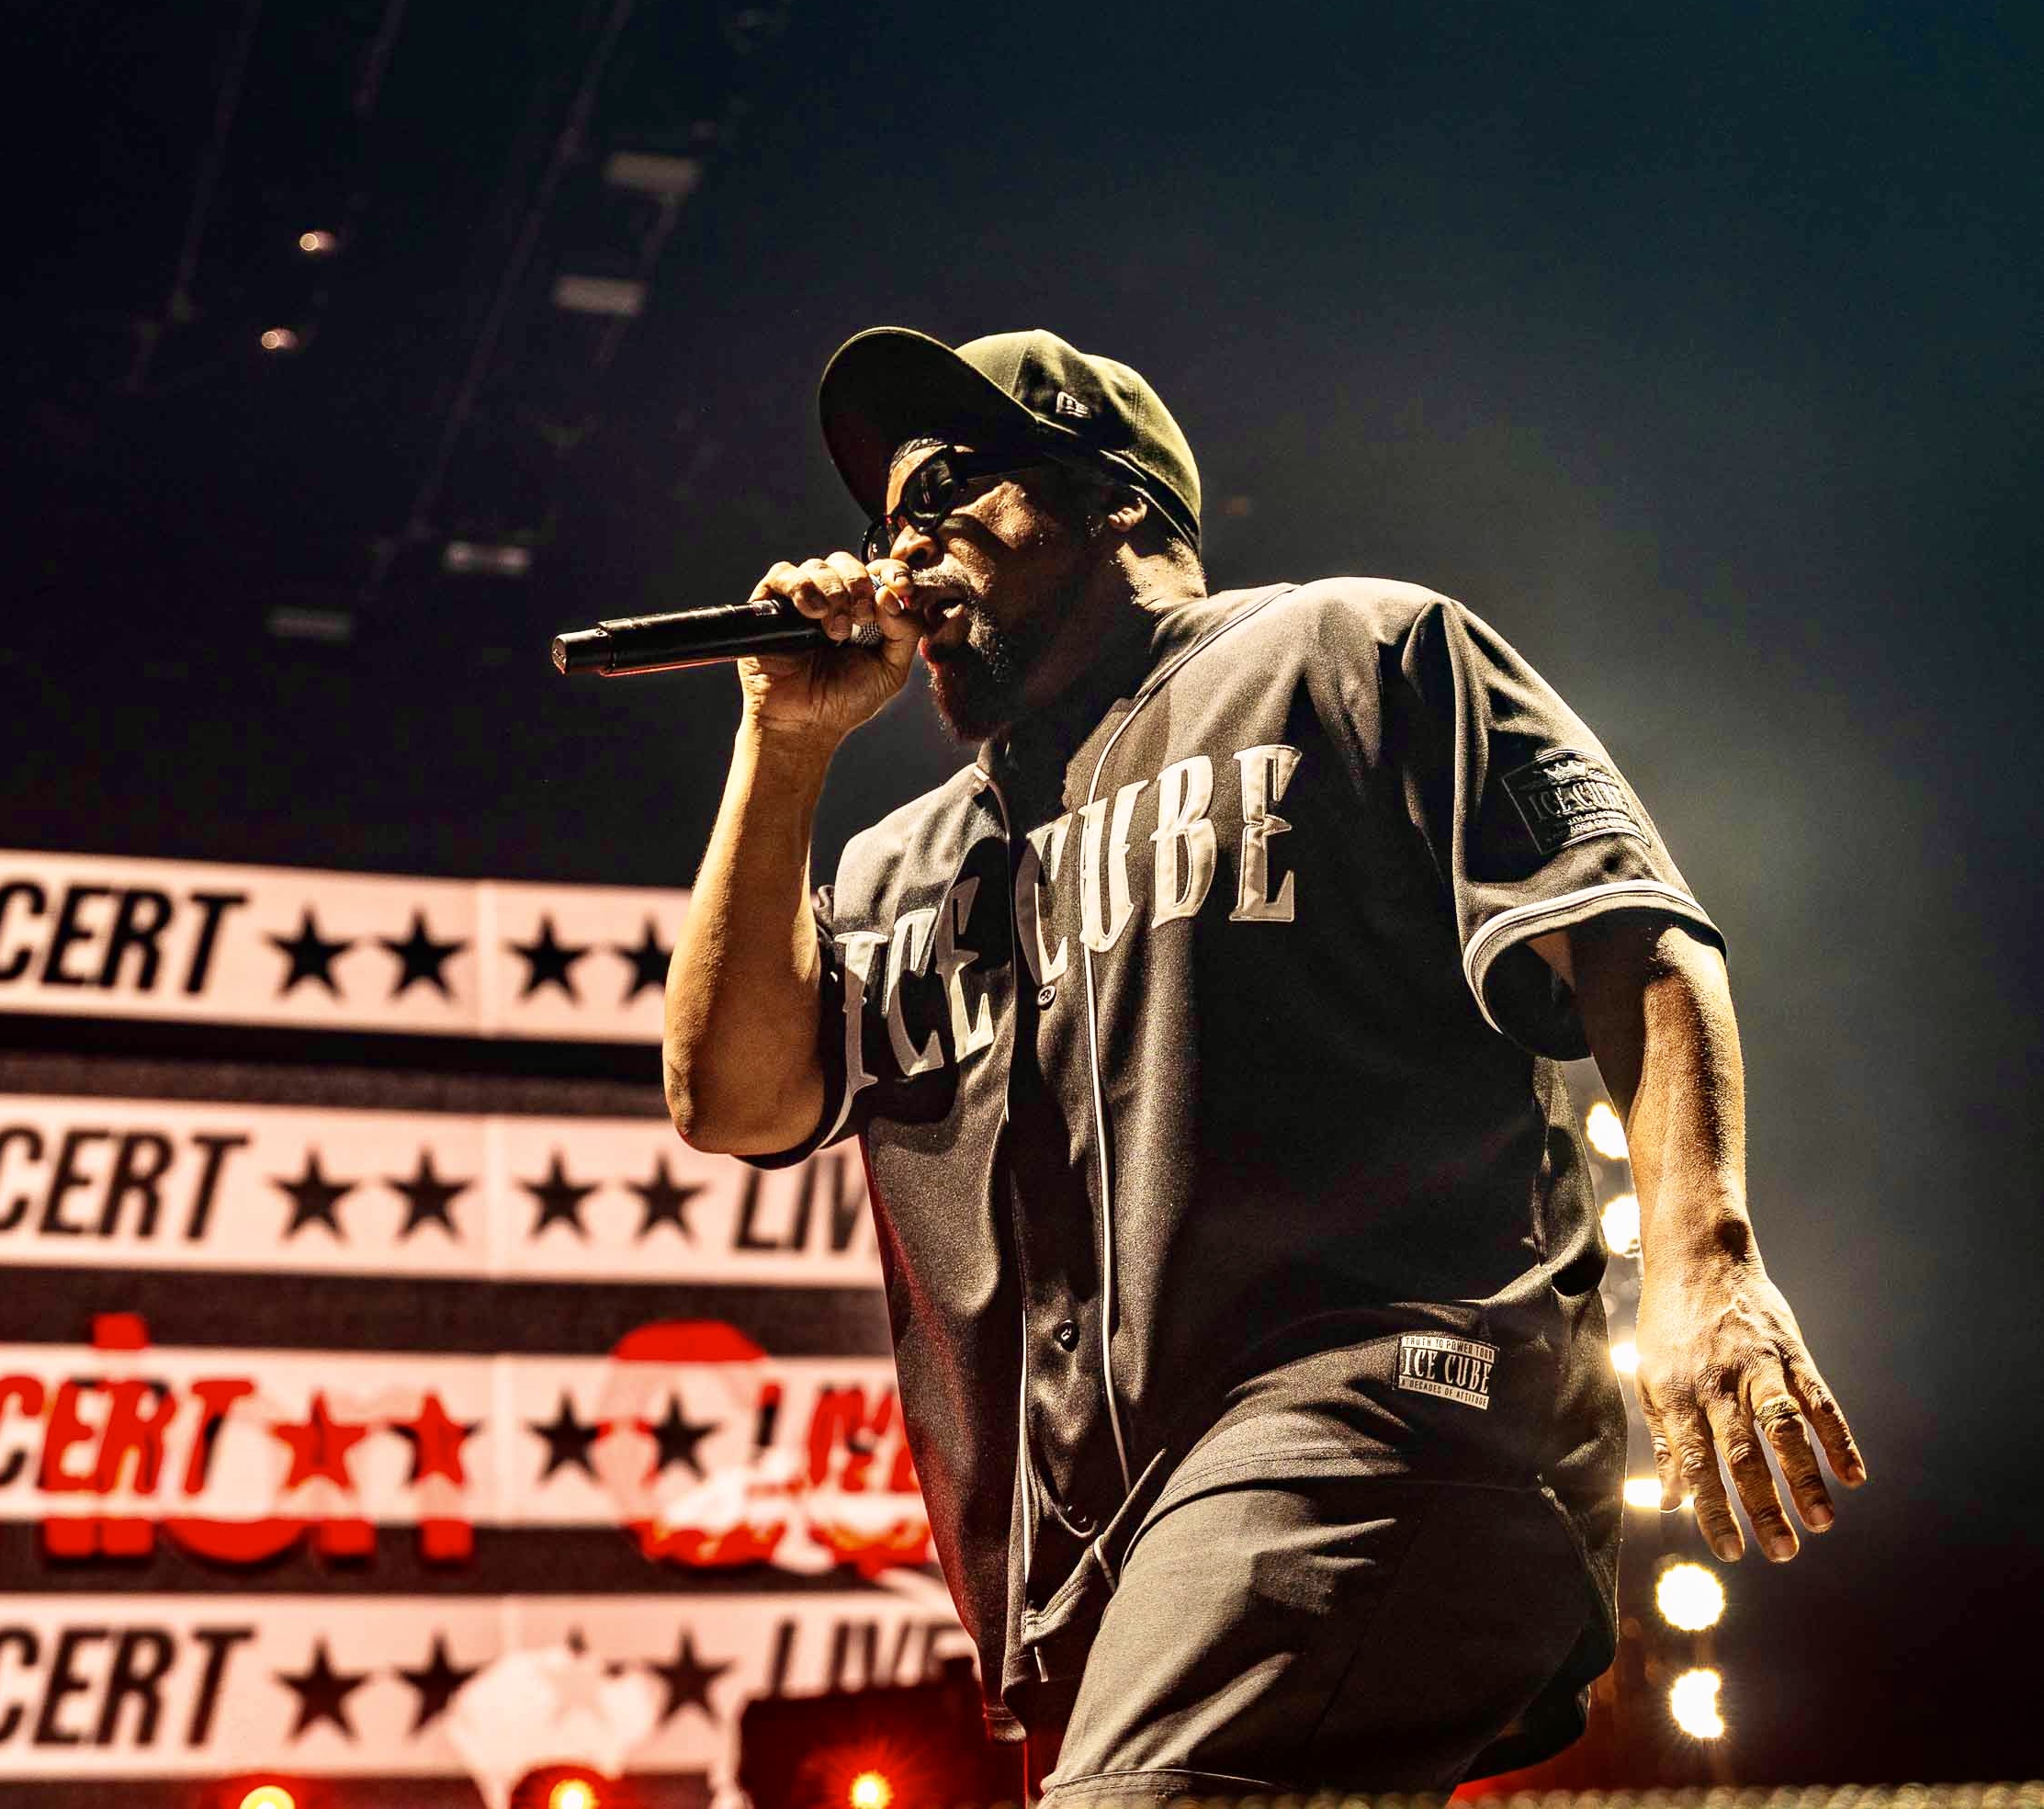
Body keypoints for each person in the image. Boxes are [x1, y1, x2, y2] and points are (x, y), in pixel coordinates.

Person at [661, 327, 1866, 1800]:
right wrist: (780, 746)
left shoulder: (1349, 650)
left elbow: (1630, 934)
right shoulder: (904, 861)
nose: (905, 540)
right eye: (885, 516)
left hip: (1388, 1426)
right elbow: (733, 1098)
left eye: (956, 485)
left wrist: (1706, 1260)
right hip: (1093, 1571)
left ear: (1114, 497)